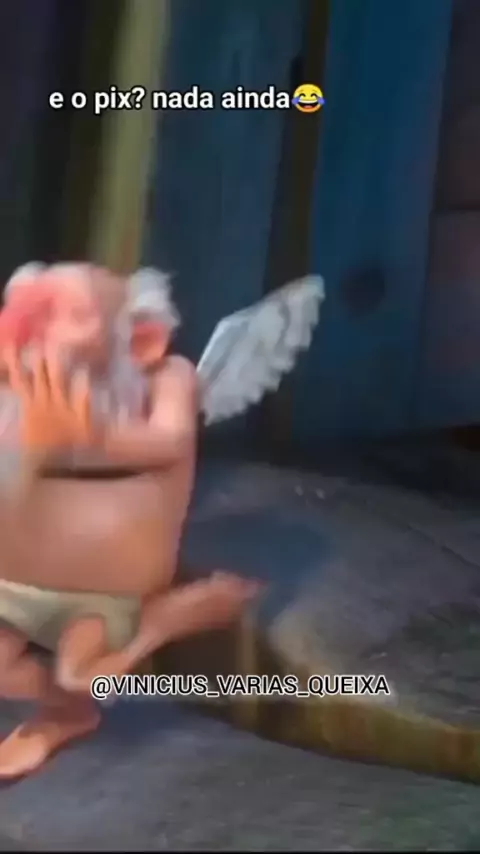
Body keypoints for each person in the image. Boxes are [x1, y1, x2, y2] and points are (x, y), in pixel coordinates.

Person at [0, 262, 259, 779]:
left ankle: (162, 623)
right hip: (14, 582)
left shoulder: (166, 379)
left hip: (102, 593)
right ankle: (66, 713)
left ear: (141, 339)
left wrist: (80, 437)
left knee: (86, 675)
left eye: (71, 316)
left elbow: (168, 443)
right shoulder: (24, 387)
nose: (42, 332)